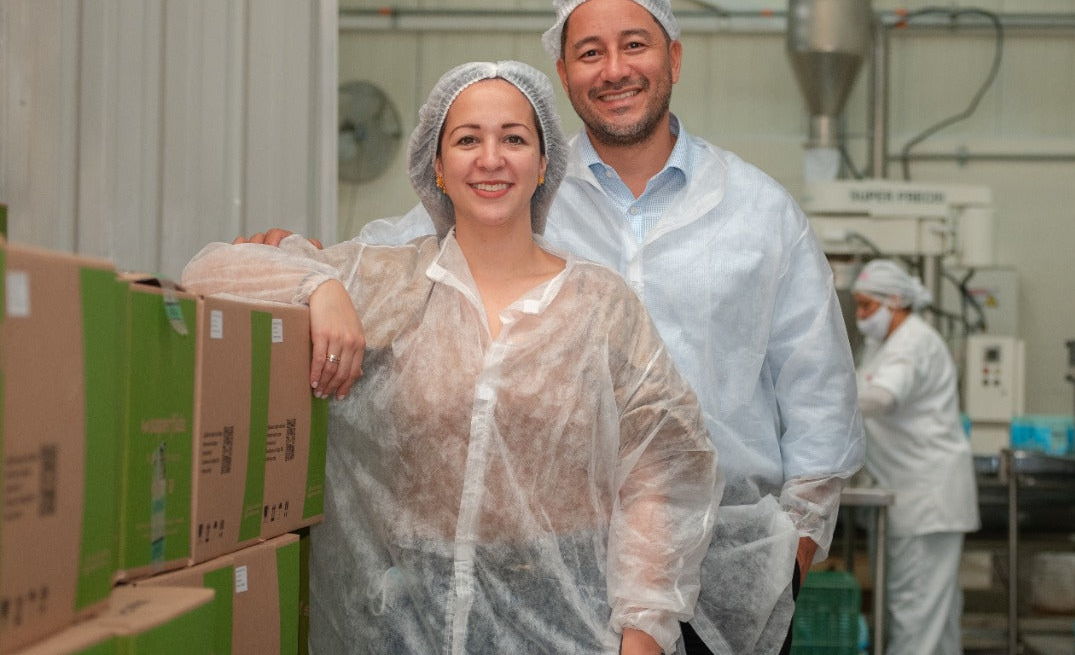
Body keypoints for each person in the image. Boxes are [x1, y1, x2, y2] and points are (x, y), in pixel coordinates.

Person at [243, 0, 864, 655]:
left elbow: (822, 409)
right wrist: (310, 275)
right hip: (571, 582)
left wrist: (789, 563)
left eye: (634, 45)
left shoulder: (761, 213)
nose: (614, 69)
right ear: (564, 74)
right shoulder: (517, 187)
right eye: (590, 52)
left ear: (674, 57)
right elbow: (389, 257)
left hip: (731, 584)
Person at [183, 60, 722, 655]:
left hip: (564, 622)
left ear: (544, 164)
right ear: (436, 166)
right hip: (399, 622)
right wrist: (321, 288)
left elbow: (663, 472)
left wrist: (644, 631)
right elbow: (208, 272)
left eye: (513, 139)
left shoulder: (601, 305)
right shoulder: (386, 283)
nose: (491, 159)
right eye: (467, 140)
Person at [850, 259, 978, 655]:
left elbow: (881, 398)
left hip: (926, 499)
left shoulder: (914, 342)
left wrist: (819, 401)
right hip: (912, 496)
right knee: (935, 620)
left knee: (914, 616)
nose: (860, 316)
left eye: (867, 306)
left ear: (894, 301)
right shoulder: (882, 345)